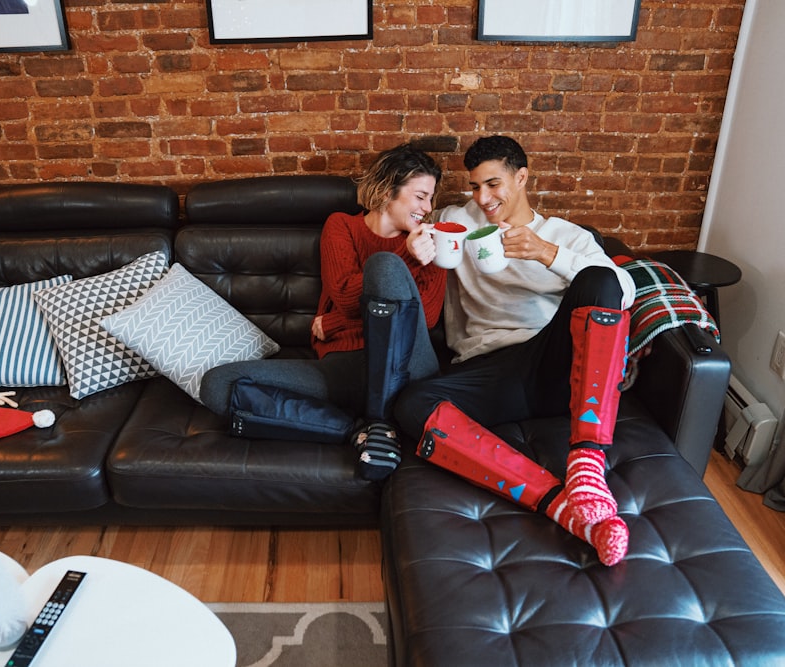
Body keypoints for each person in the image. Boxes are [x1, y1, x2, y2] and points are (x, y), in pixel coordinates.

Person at [393, 135, 637, 566]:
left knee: (600, 278)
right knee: (412, 404)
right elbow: (404, 218)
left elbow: (623, 291)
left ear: (521, 178)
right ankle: (559, 504)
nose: (483, 198)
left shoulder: (564, 235)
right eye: (474, 186)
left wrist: (549, 254)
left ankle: (586, 465)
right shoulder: (456, 221)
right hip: (491, 372)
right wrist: (411, 248)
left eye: (493, 184)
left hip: (555, 364)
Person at [199, 143, 446, 481]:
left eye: (430, 198)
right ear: (390, 189)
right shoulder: (342, 226)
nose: (428, 208)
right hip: (347, 368)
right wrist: (405, 255)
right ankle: (364, 428)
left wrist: (331, 321)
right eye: (420, 196)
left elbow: (426, 319)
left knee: (385, 268)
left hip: (407, 367)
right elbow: (345, 296)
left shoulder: (433, 243)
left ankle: (377, 417)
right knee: (216, 384)